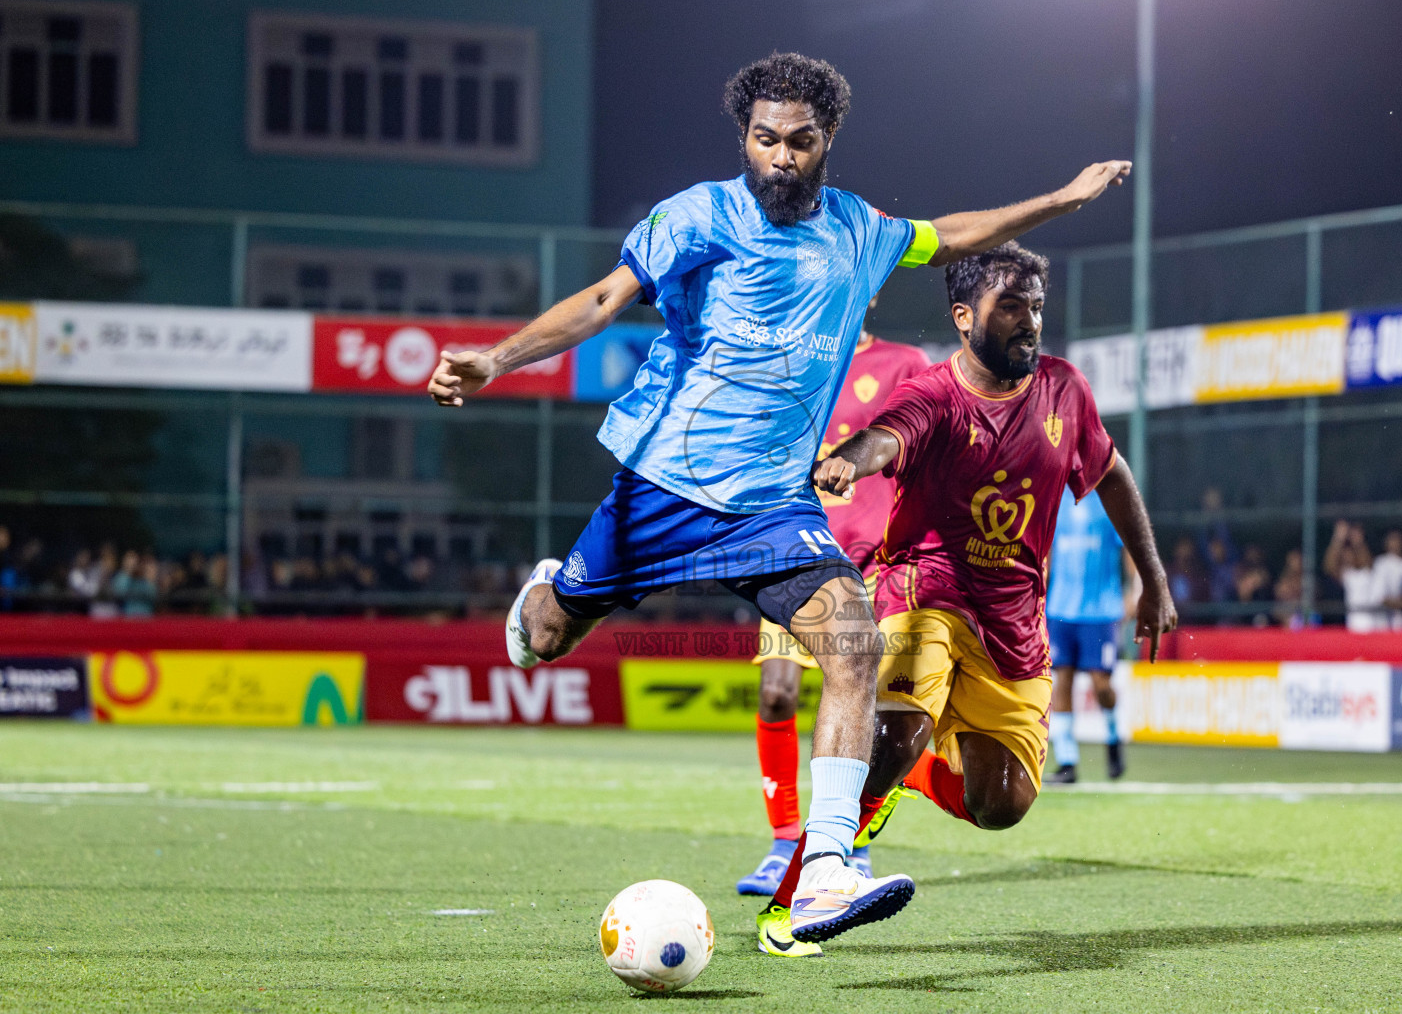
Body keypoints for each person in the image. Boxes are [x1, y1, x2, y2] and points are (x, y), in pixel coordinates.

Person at [427, 52, 1132, 955]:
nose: (782, 158)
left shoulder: (860, 230)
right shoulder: (696, 216)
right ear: (744, 139)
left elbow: (954, 234)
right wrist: (495, 359)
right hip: (663, 488)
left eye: (801, 142)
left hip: (771, 507)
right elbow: (604, 299)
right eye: (766, 140)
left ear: (826, 140)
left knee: (851, 642)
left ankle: (826, 868)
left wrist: (1062, 200)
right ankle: (543, 597)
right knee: (550, 637)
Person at [779, 242, 1175, 953]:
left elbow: (1112, 473)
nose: (1031, 322)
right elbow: (885, 440)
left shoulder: (1065, 390)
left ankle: (918, 768)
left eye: (1037, 307)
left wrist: (1152, 576)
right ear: (964, 317)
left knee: (1001, 805)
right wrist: (847, 460)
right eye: (1012, 306)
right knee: (886, 739)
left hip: (1015, 627)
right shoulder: (932, 393)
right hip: (921, 593)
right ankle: (795, 907)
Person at [736, 296, 929, 896]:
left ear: (871, 289)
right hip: (797, 552)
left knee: (867, 700)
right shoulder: (788, 363)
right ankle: (784, 840)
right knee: (777, 692)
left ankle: (851, 843)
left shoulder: (905, 364)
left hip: (876, 562)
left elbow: (927, 444)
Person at [1042, 484, 1131, 784]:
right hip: (1061, 609)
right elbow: (1047, 549)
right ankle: (1067, 762)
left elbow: (1129, 546)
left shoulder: (1110, 498)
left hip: (1101, 611)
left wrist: (1135, 591)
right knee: (1061, 681)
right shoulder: (1056, 499)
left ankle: (1113, 737)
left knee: (1101, 684)